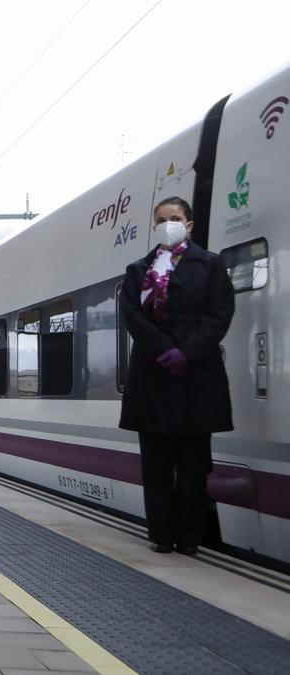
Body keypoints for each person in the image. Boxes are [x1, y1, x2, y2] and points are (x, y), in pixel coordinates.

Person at [120, 196, 234, 556]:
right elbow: (133, 318)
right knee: (155, 465)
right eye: (161, 218)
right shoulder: (138, 270)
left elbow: (221, 313)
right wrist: (163, 350)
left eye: (175, 217)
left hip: (197, 378)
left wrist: (188, 352)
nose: (167, 223)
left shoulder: (212, 265)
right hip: (152, 377)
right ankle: (160, 535)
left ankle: (190, 538)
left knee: (193, 467)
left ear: (189, 224)